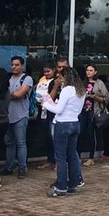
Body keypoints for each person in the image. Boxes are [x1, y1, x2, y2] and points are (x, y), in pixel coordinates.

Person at [41, 66, 85, 196]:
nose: (59, 80)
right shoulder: (80, 90)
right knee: (72, 154)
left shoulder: (67, 90)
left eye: (61, 77)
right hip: (75, 123)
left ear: (66, 78)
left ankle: (61, 186)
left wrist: (45, 104)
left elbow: (59, 110)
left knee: (60, 157)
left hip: (63, 124)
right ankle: (73, 183)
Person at [4, 56, 33, 178]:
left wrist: (7, 94)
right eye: (12, 65)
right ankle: (8, 167)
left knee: (21, 143)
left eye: (17, 65)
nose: (14, 67)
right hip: (7, 115)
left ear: (22, 66)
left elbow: (19, 94)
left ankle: (22, 168)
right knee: (9, 143)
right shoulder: (8, 78)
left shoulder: (27, 79)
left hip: (20, 115)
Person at [80, 64, 109, 166]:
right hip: (82, 110)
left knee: (90, 133)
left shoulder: (99, 83)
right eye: (87, 70)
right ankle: (77, 156)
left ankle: (91, 157)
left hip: (94, 110)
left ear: (95, 72)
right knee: (80, 132)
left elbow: (106, 98)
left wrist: (95, 97)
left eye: (91, 70)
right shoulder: (82, 82)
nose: (88, 72)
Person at [34, 63, 57, 170]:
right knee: (47, 136)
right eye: (45, 72)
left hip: (53, 111)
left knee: (54, 137)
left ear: (53, 70)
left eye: (49, 71)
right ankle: (50, 159)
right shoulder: (42, 80)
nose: (46, 74)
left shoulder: (56, 81)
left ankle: (57, 160)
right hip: (42, 110)